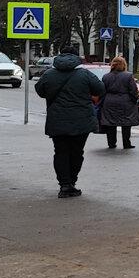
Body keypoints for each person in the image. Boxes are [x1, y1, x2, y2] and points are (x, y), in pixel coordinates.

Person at [34, 45, 104, 198]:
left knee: (60, 152)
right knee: (77, 152)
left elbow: (40, 90)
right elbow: (99, 89)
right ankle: (72, 181)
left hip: (57, 120)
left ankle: (64, 184)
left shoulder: (49, 74)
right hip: (82, 120)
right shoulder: (85, 74)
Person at [99, 56, 139, 149]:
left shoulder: (106, 77)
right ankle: (126, 143)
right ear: (124, 65)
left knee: (110, 123)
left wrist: (101, 104)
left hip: (109, 102)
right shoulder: (128, 76)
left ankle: (111, 143)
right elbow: (133, 90)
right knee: (126, 123)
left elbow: (102, 91)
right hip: (125, 102)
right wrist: (134, 100)